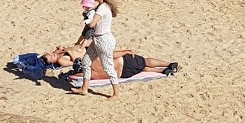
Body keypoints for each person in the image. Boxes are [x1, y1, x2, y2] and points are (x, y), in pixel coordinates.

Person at [76, 0, 119, 98]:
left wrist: (86, 22)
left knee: (108, 67)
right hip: (97, 39)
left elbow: (92, 24)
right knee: (86, 61)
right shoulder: (102, 6)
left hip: (103, 40)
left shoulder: (102, 8)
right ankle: (84, 88)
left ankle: (116, 93)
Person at [42, 46, 177, 81]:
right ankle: (169, 64)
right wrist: (124, 51)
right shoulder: (95, 59)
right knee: (145, 61)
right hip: (124, 62)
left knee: (141, 69)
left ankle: (162, 71)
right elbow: (111, 55)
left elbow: (78, 75)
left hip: (124, 74)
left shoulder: (90, 75)